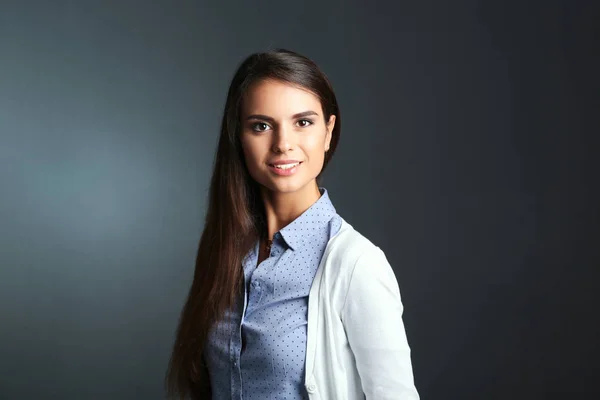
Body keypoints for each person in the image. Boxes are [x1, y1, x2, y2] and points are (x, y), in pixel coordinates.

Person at [165, 48, 419, 400]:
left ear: (328, 131)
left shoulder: (356, 264)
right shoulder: (225, 252)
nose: (283, 144)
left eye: (303, 122)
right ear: (239, 136)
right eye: (262, 125)